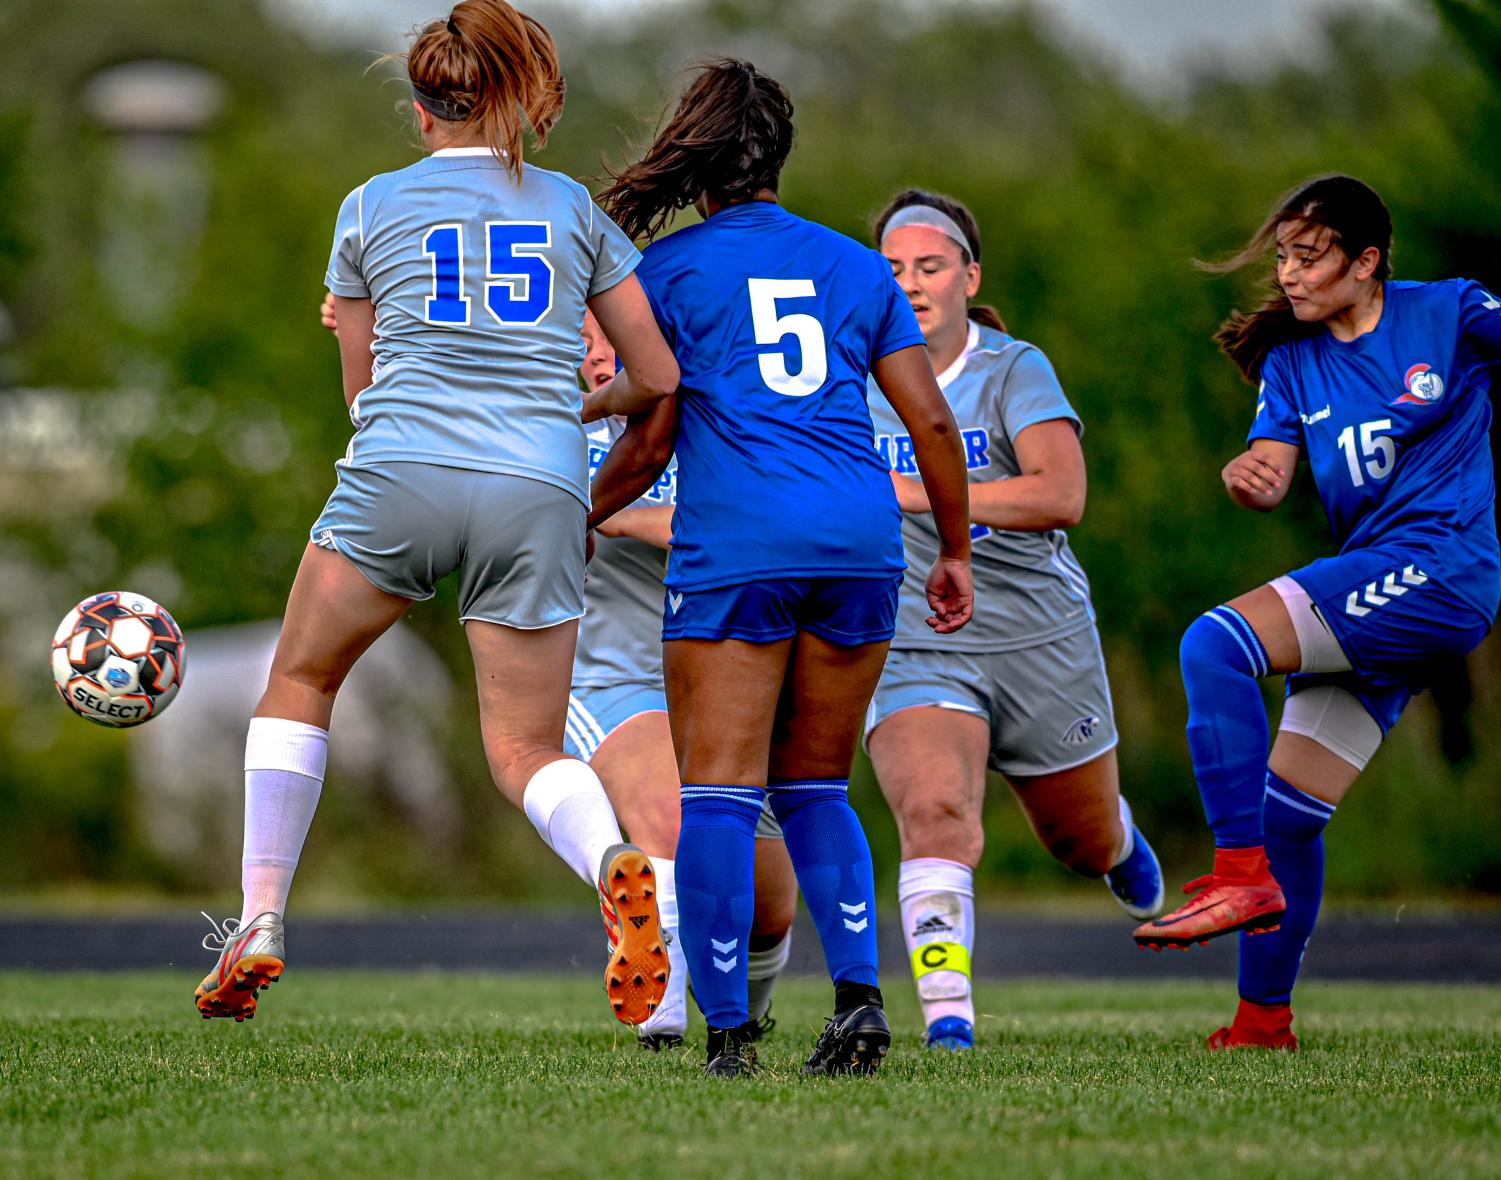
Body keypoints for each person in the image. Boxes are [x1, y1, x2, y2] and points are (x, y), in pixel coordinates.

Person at [193, 0, 681, 1030]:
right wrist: (571, 401)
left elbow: (362, 396)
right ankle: (614, 862)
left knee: (299, 678)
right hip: (540, 489)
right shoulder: (572, 214)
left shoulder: (368, 207)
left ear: (422, 110)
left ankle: (260, 917)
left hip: (402, 472)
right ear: (514, 94)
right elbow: (654, 374)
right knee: (524, 751)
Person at [586, 60, 975, 1078]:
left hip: (736, 549)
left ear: (696, 155)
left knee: (717, 795)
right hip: (858, 547)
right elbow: (930, 418)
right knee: (814, 786)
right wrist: (958, 549)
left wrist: (587, 510)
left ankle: (728, 1036)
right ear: (778, 159)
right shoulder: (854, 267)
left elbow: (652, 431)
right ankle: (856, 1001)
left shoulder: (664, 272)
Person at [1133, 174, 1499, 1050]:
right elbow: (1271, 463)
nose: (1288, 275)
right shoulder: (1293, 361)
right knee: (1287, 814)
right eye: (1282, 257)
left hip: (1441, 569)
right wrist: (1249, 477)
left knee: (1212, 645)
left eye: (1308, 255)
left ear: (1366, 262)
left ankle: (1237, 876)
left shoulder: (1451, 311)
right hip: (1378, 583)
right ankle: (1261, 1023)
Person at [862, 190, 1166, 1053]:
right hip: (915, 634)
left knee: (1080, 842)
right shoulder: (845, 373)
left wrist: (921, 492)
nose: (912, 284)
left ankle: (1117, 842)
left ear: (969, 277)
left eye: (930, 267)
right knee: (933, 808)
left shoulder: (1010, 369)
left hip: (1037, 637)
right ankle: (948, 1021)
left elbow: (1061, 494)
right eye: (892, 269)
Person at [570, 311, 801, 1049]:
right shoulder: (561, 439)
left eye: (616, 339)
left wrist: (615, 514)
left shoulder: (711, 425)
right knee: (670, 825)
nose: (603, 356)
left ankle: (748, 1007)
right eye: (583, 343)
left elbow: (732, 524)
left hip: (725, 679)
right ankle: (658, 1008)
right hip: (610, 678)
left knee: (767, 908)